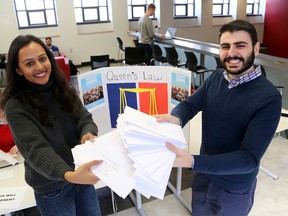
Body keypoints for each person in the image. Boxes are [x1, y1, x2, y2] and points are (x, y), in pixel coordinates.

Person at [156, 20, 281, 216]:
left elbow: (248, 159)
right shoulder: (216, 77)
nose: (231, 53)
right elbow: (190, 105)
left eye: (240, 45)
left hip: (233, 188)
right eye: (225, 46)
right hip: (204, 176)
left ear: (256, 48)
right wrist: (177, 118)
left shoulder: (269, 98)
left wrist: (193, 162)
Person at [0, 35, 102, 216]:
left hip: (80, 174)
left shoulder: (64, 89)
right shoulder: (16, 106)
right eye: (29, 63)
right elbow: (36, 150)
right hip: (53, 189)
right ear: (18, 70)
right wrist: (69, 175)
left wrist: (87, 133)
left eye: (42, 59)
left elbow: (84, 118)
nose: (39, 67)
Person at [0, 90, 19, 155]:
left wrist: (20, 146)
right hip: (3, 161)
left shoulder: (16, 118)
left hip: (18, 157)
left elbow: (29, 139)